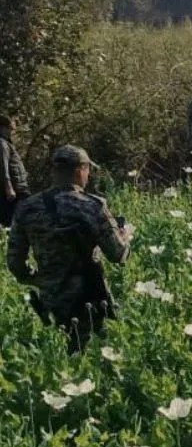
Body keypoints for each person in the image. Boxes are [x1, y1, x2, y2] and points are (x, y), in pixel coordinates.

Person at [6, 146, 130, 353]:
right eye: (88, 169)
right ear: (79, 170)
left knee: (57, 352)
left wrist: (37, 278)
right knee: (94, 355)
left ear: (55, 171)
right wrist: (123, 236)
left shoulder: (27, 207)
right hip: (88, 295)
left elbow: (14, 262)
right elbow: (118, 255)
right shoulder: (92, 205)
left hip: (50, 297)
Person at [0, 114, 30, 227]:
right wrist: (9, 188)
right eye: (10, 129)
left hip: (17, 191)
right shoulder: (2, 143)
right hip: (13, 193)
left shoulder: (6, 143)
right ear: (2, 128)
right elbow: (3, 166)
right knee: (13, 223)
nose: (11, 132)